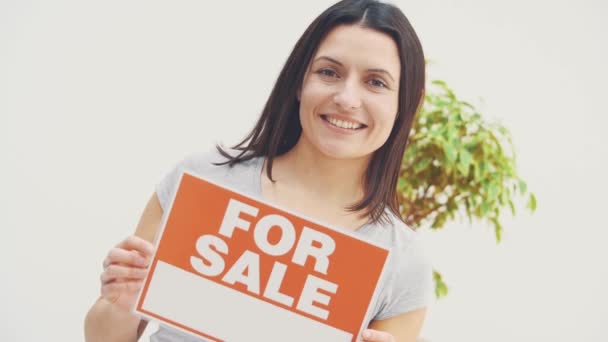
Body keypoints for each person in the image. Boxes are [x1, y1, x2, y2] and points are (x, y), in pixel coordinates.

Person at [84, 0, 432, 341]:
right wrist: (122, 303)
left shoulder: (403, 261)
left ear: (407, 103)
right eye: (329, 72)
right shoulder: (201, 179)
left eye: (376, 82)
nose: (347, 98)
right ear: (300, 81)